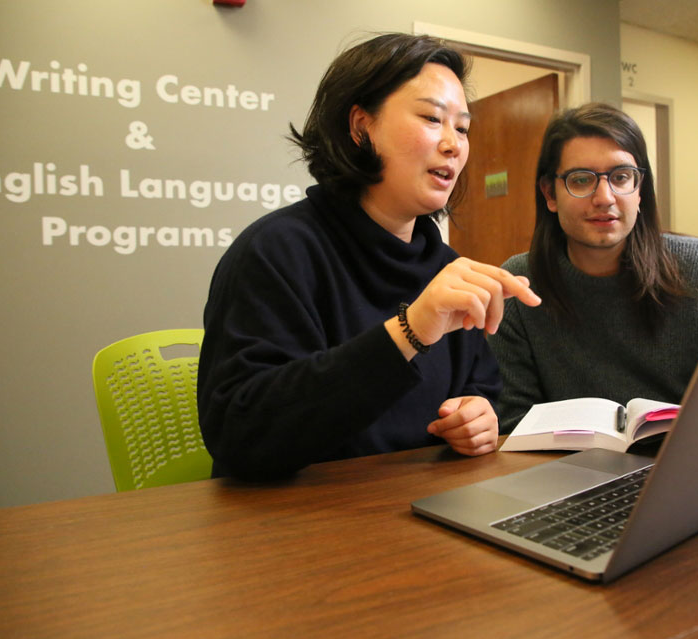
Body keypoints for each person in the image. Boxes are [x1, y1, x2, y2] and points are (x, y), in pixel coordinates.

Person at [197, 33, 541, 480]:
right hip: (292, 527)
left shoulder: (447, 267)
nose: (454, 144)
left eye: (462, 127)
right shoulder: (276, 251)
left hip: (415, 511)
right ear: (361, 126)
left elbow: (482, 386)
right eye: (433, 118)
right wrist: (409, 330)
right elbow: (240, 435)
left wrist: (477, 415)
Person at [488, 103, 698, 433]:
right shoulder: (520, 287)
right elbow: (512, 425)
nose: (605, 197)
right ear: (550, 193)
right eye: (581, 179)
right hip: (567, 474)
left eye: (621, 177)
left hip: (689, 467)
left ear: (639, 189)